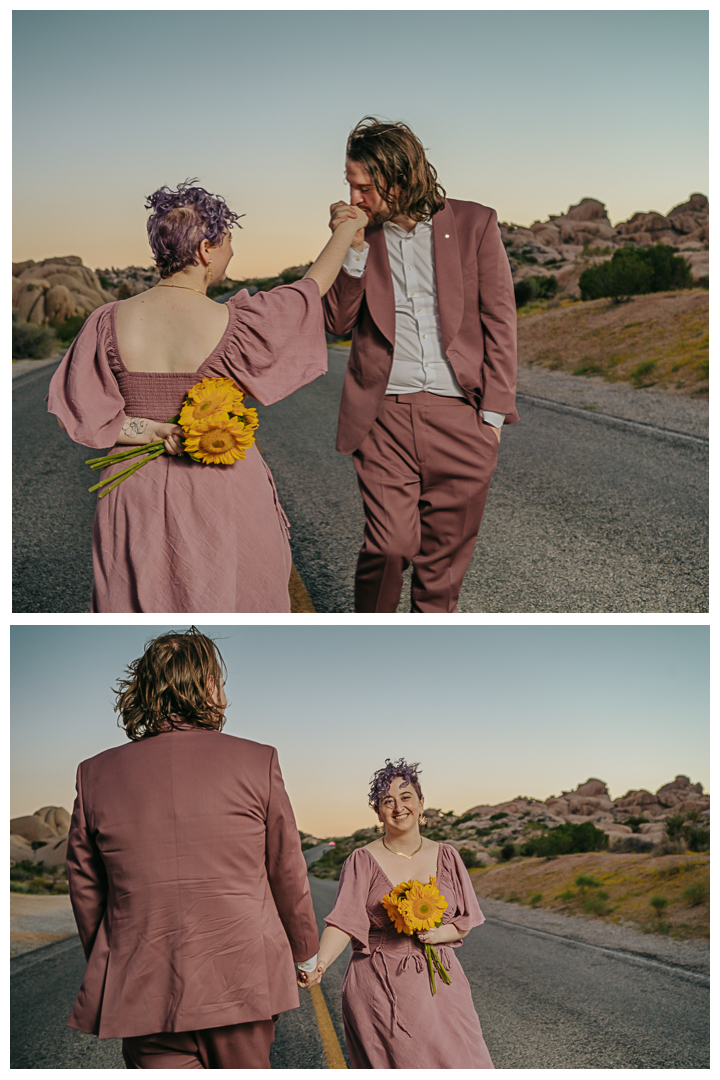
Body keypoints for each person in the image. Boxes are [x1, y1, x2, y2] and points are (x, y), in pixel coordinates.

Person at [47, 180, 367, 613]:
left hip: (132, 489)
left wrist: (152, 430)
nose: (231, 254)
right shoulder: (235, 322)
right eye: (228, 242)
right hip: (220, 483)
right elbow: (309, 290)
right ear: (206, 250)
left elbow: (86, 413)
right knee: (235, 593)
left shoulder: (106, 321)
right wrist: (345, 230)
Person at [65, 627, 320, 1069]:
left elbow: (86, 889)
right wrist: (305, 951)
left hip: (143, 986)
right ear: (206, 687)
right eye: (217, 679)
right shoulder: (258, 761)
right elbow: (286, 867)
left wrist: (115, 962)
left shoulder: (94, 774)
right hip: (241, 984)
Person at [323, 117, 518, 613]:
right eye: (350, 183)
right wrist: (352, 249)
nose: (354, 195)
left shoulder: (476, 223)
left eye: (365, 186)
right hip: (383, 416)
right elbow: (338, 323)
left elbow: (500, 321)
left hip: (463, 419)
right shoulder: (360, 235)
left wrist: (491, 420)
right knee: (389, 547)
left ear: (402, 177)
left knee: (441, 572)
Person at [299, 758, 494, 1069]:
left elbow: (465, 921)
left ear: (421, 803)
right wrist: (320, 964)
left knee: (465, 1061)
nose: (398, 807)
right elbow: (343, 922)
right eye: (387, 801)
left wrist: (440, 933)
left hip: (443, 986)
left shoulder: (448, 856)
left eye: (406, 797)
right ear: (378, 812)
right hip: (380, 985)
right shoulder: (361, 860)